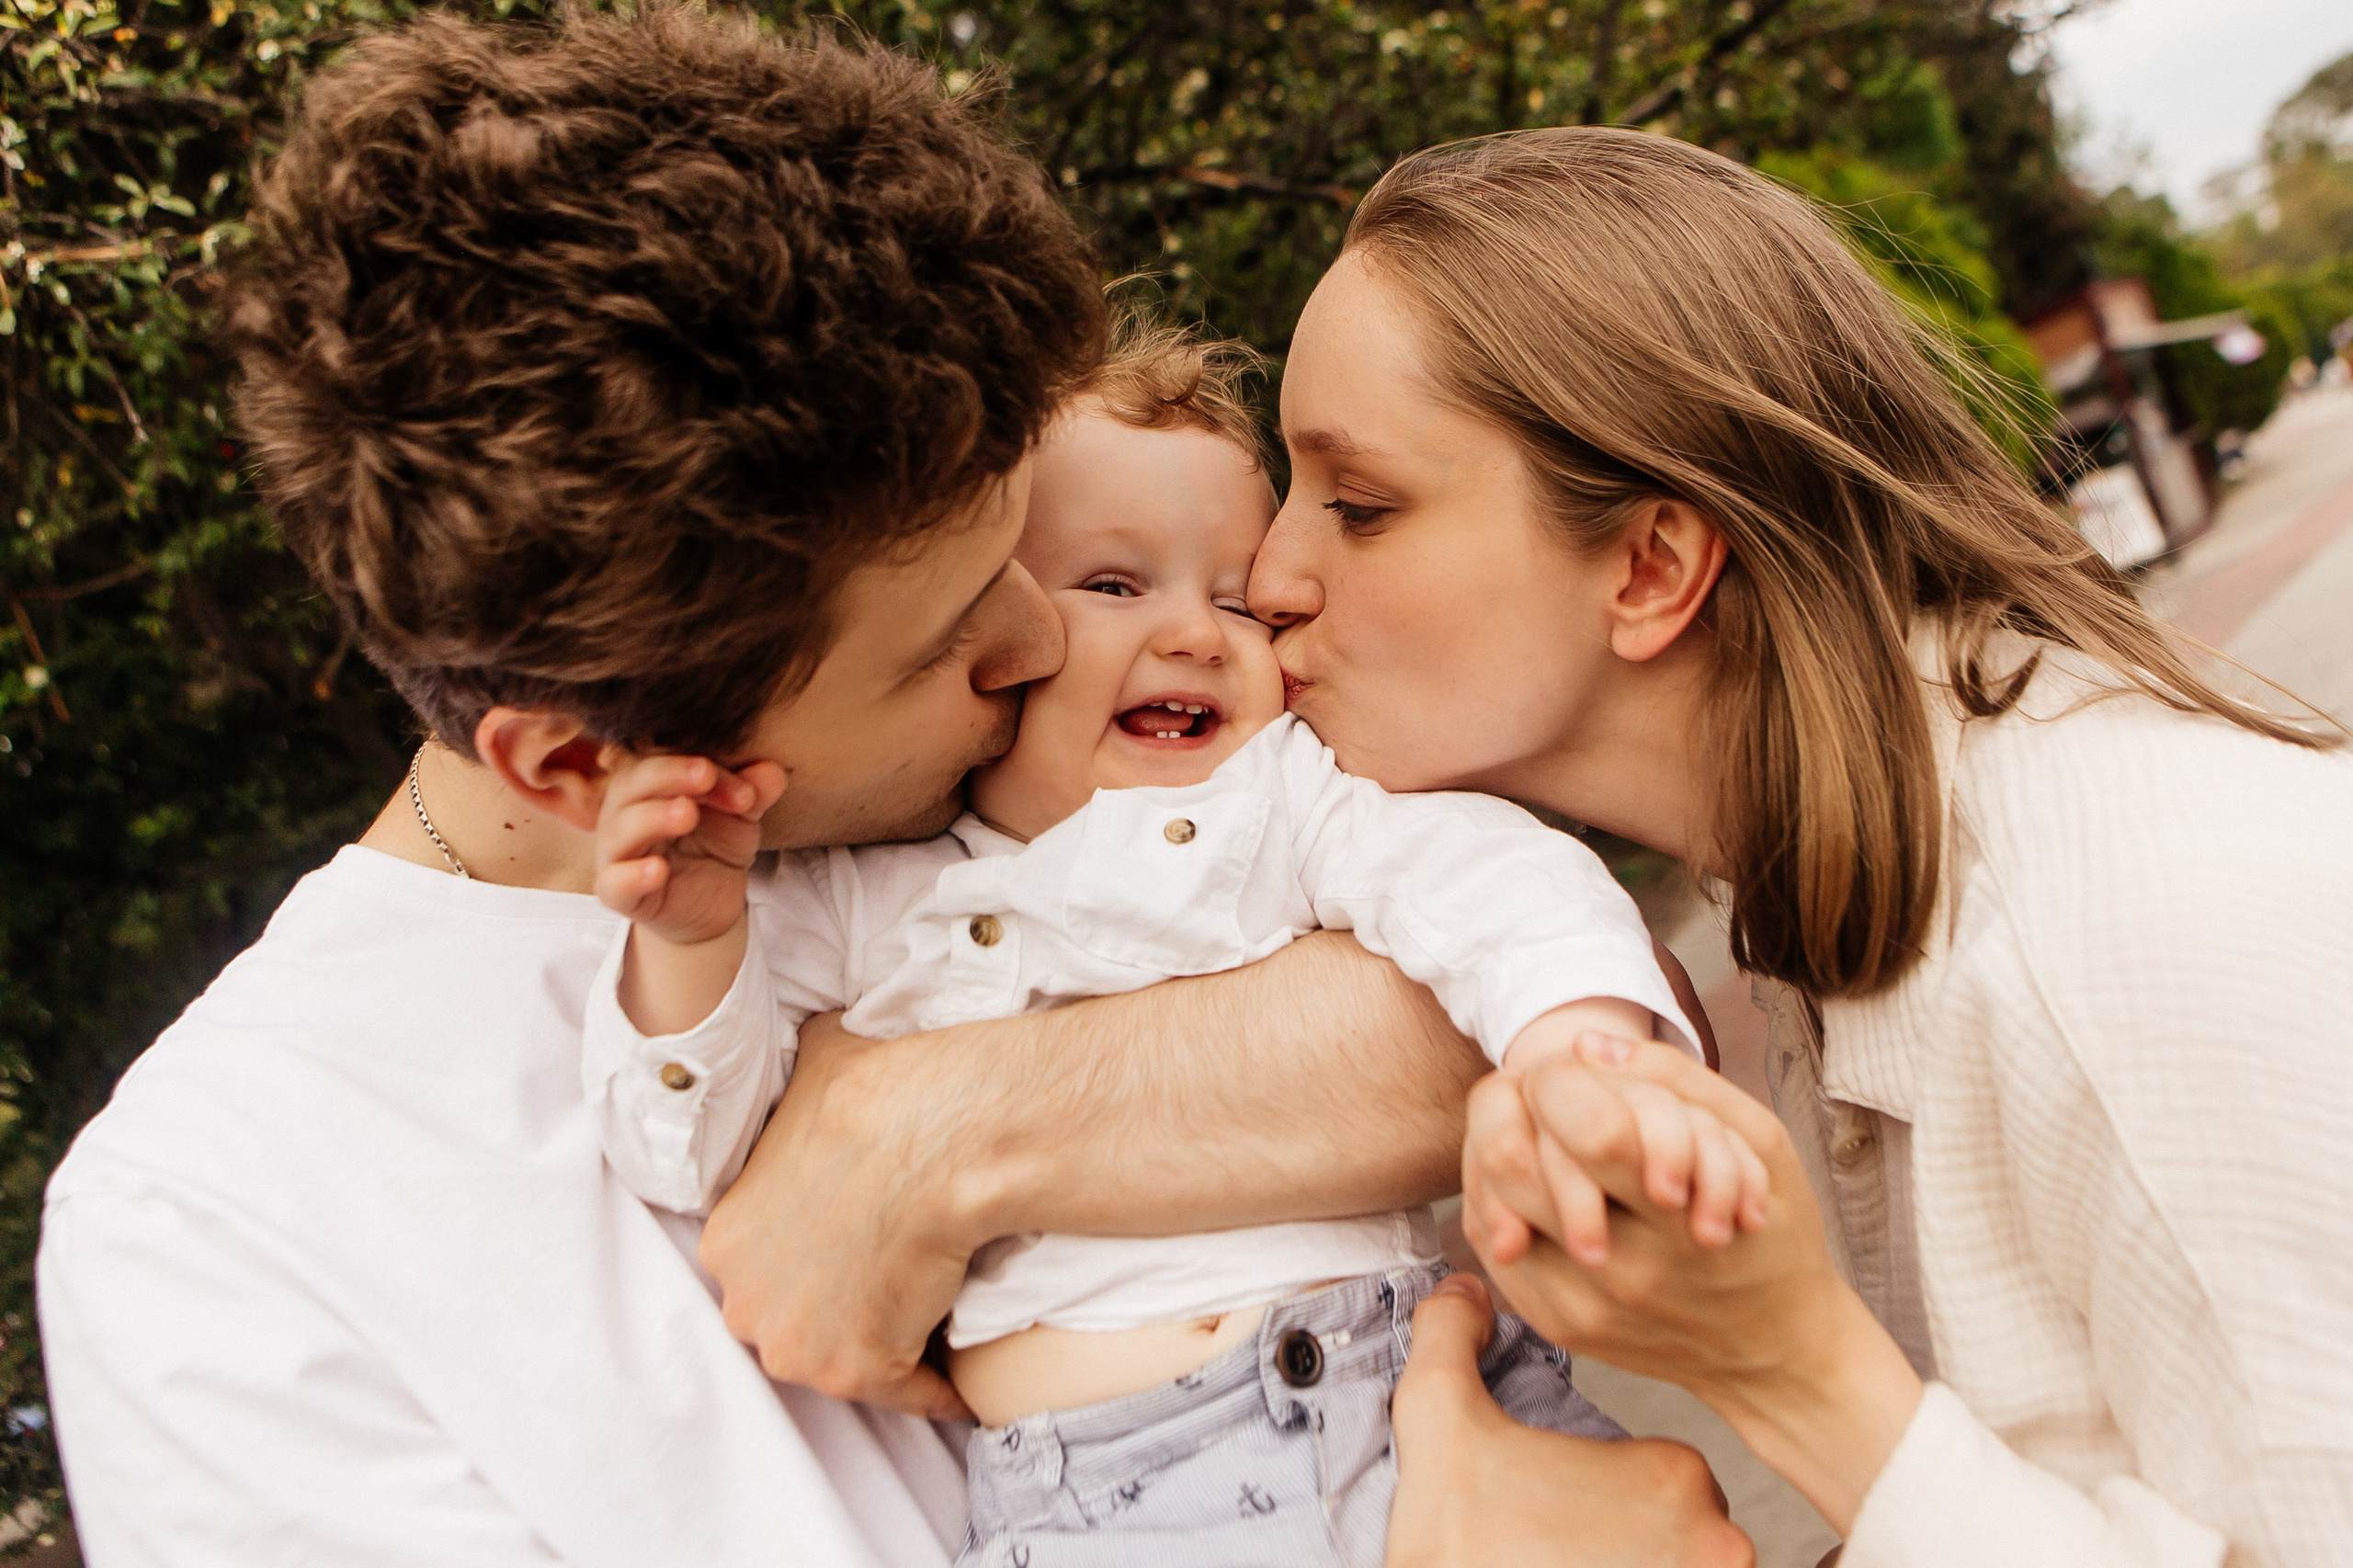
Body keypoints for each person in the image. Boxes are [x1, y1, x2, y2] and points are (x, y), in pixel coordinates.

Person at [34, 12, 1746, 1565]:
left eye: (1021, 549)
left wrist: (928, 1130)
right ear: (579, 760)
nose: (1029, 647)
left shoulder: (1001, 800)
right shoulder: (217, 1224)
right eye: (938, 642)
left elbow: (1610, 989)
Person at [1232, 127, 2353, 1566]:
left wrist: (1791, 1373)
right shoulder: (1845, 881)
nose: (1268, 577)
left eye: (1359, 504)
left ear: (1649, 565)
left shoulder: (2142, 936)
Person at [580, 317, 1739, 1567]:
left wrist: (1577, 1043)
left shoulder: (1284, 798)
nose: (1195, 632)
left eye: (1238, 598)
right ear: (993, 637)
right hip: (1110, 1494)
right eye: (1115, 585)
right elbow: (684, 1151)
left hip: (1416, 1381)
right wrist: (692, 947)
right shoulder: (862, 896)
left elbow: (1482, 879)